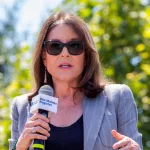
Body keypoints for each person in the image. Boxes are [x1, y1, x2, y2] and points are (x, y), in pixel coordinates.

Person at [9, 11, 142, 150]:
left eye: (74, 46)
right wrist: (20, 146)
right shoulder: (21, 106)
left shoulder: (118, 98)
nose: (65, 53)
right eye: (55, 46)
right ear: (44, 57)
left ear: (86, 56)